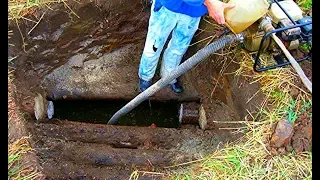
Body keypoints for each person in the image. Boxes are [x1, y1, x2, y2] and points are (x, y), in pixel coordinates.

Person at [138, 0, 235, 93]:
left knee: (178, 48)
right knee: (154, 46)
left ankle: (168, 76)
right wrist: (209, 2)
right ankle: (146, 76)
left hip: (194, 11)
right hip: (168, 6)